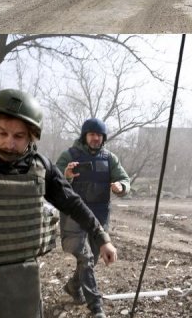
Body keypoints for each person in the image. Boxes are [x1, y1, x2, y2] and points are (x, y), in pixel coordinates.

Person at [0, 89, 118, 318]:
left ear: (31, 136)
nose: (9, 143)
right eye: (2, 133)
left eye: (18, 136)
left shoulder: (41, 167)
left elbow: (73, 203)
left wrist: (101, 237)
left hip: (24, 278)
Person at [55, 118, 129, 318]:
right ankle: (96, 307)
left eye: (99, 135)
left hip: (99, 216)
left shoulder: (109, 158)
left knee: (92, 258)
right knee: (85, 258)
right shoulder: (69, 155)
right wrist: (67, 174)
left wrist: (121, 187)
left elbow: (124, 178)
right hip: (74, 215)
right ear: (84, 136)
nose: (96, 138)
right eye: (92, 134)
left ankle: (72, 285)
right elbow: (54, 182)